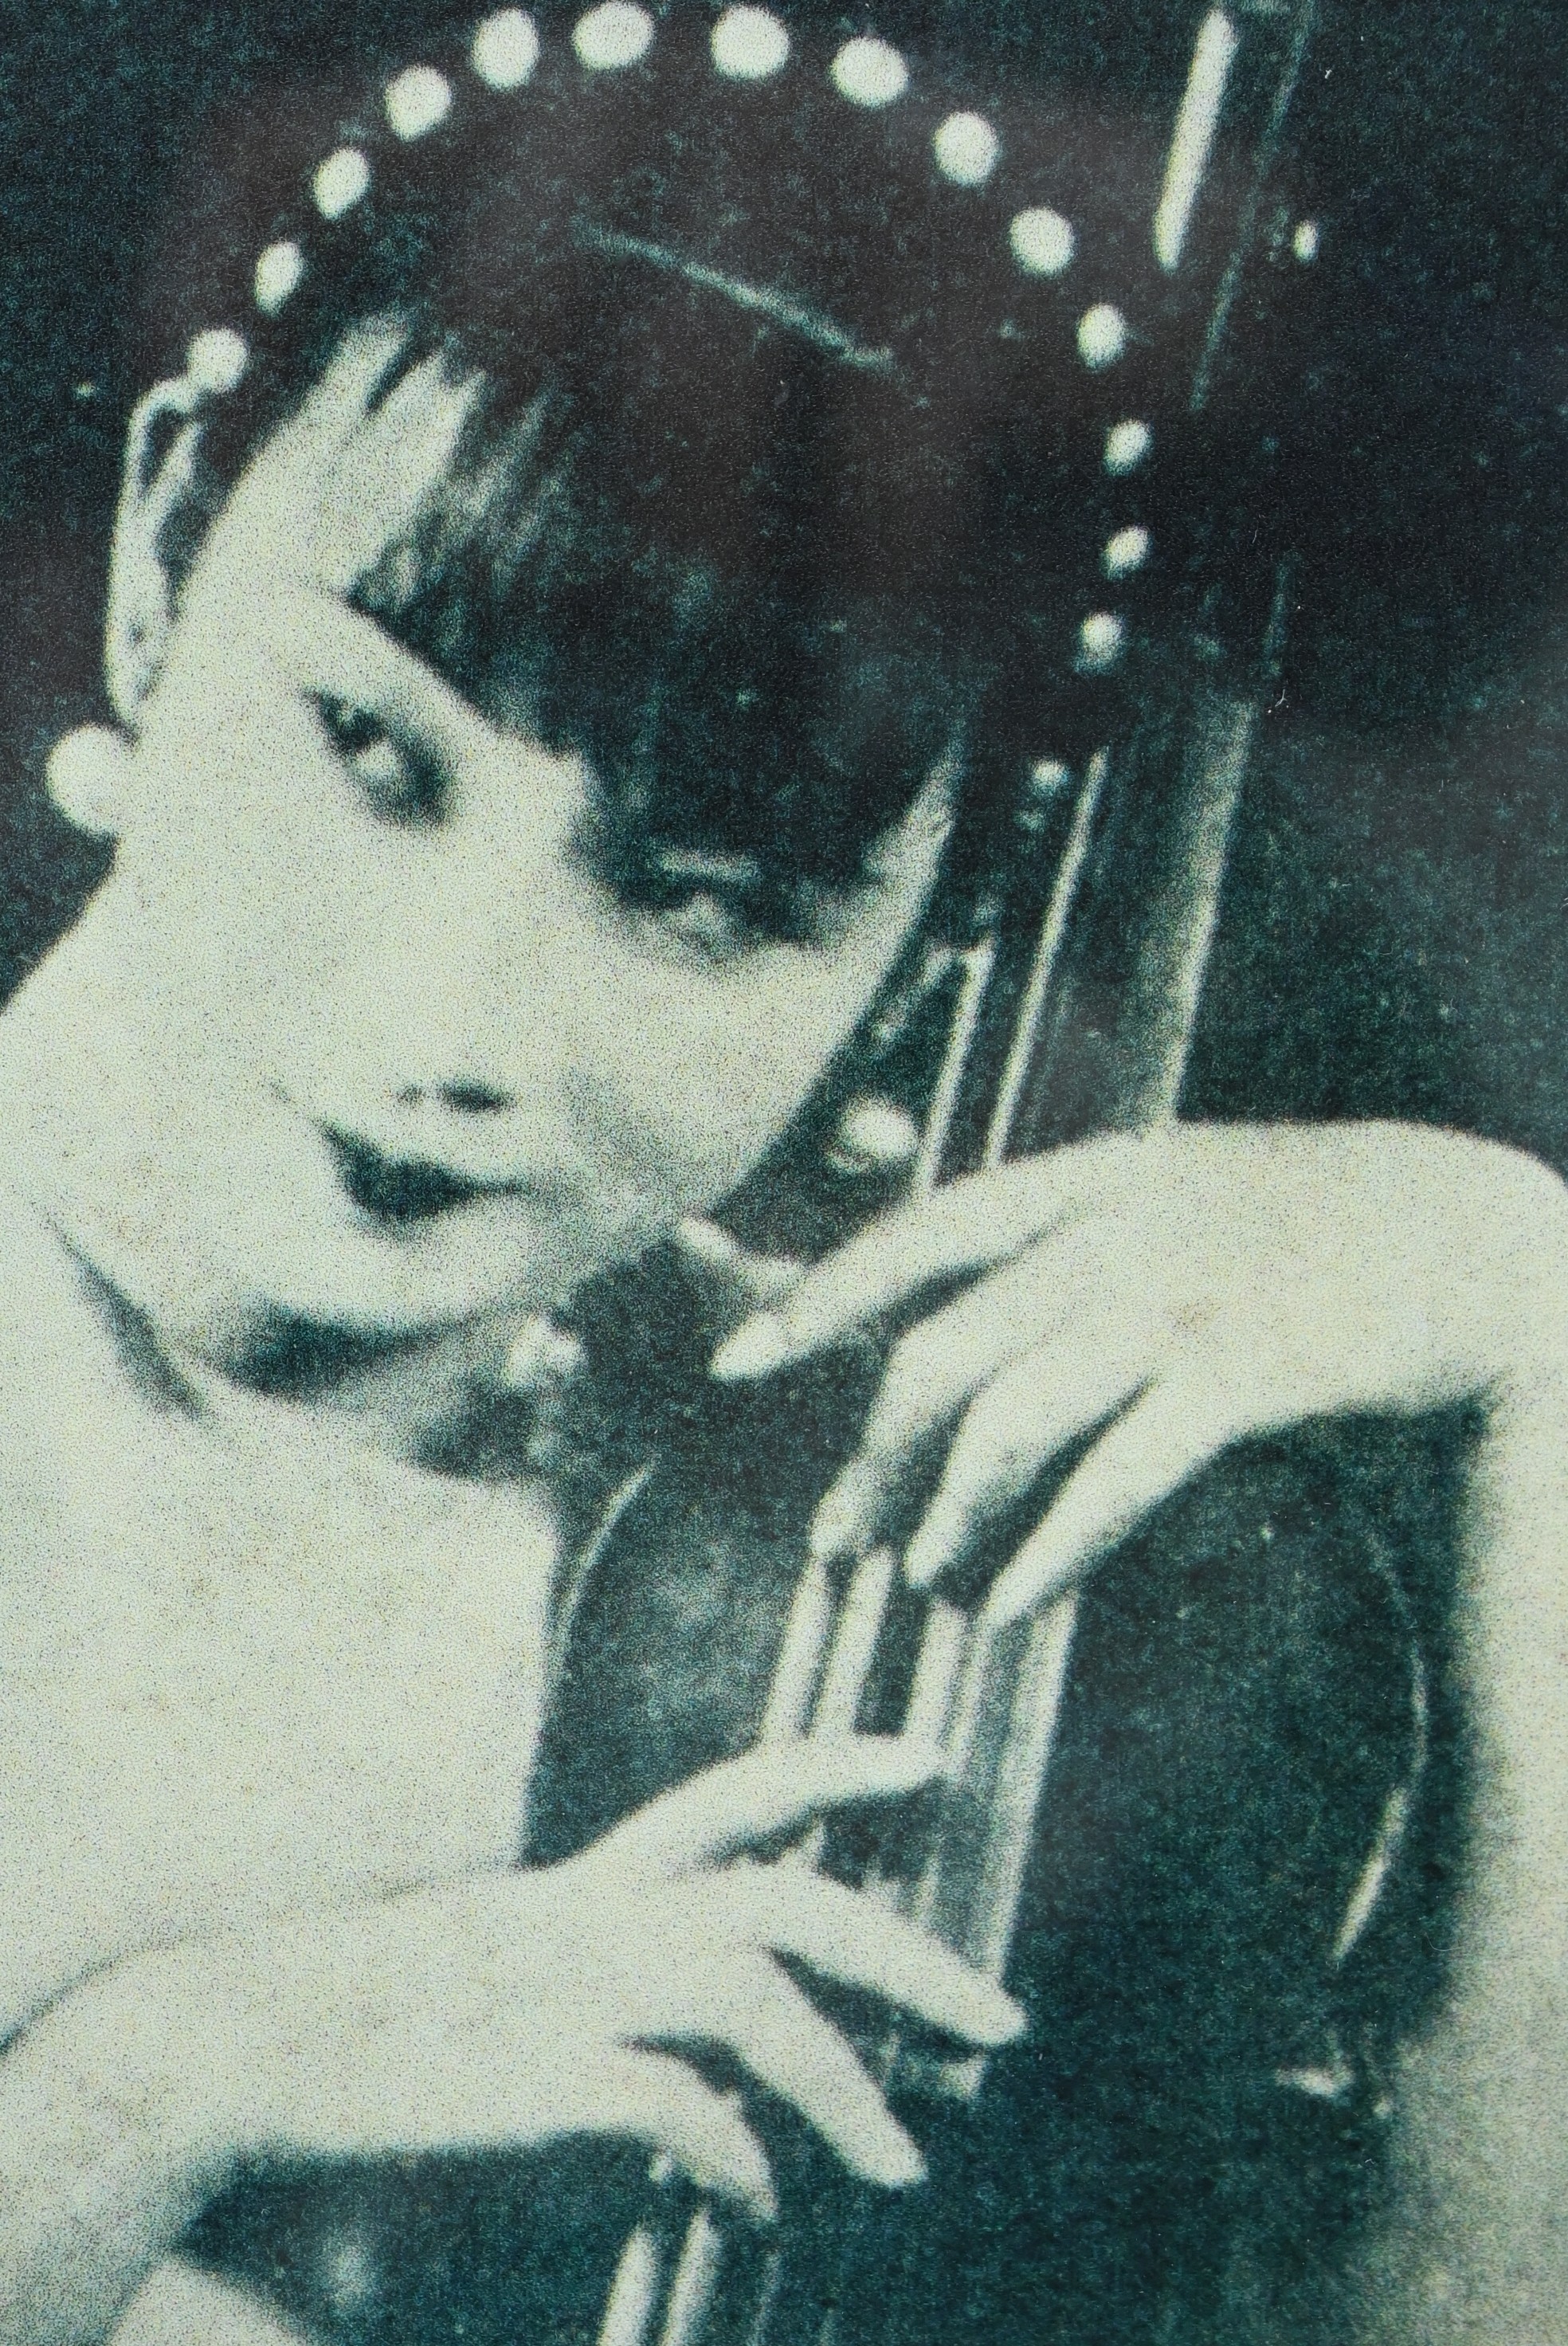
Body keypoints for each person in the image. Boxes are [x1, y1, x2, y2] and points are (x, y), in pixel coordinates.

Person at [0, 8, 1564, 2342]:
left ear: (928, 941)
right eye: (373, 750)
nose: (450, 1030)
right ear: (161, 549)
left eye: (705, 900)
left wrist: (1527, 1307)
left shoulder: (827, 1529)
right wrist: (161, 2086)